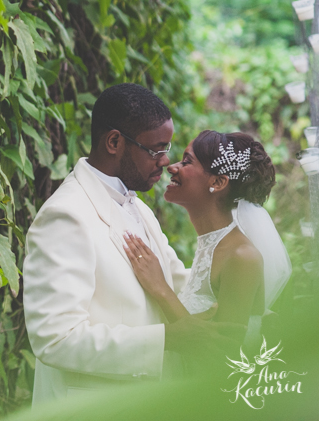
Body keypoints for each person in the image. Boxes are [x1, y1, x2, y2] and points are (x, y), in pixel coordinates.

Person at [23, 84, 242, 404]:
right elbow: (55, 339)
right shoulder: (65, 216)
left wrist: (241, 294)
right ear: (114, 142)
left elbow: (179, 282)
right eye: (156, 150)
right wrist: (168, 338)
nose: (166, 161)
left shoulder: (137, 206)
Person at [123, 130, 291, 350]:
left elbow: (221, 358)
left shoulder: (242, 256)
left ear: (218, 182)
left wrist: (161, 290)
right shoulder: (211, 246)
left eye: (186, 162)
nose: (172, 167)